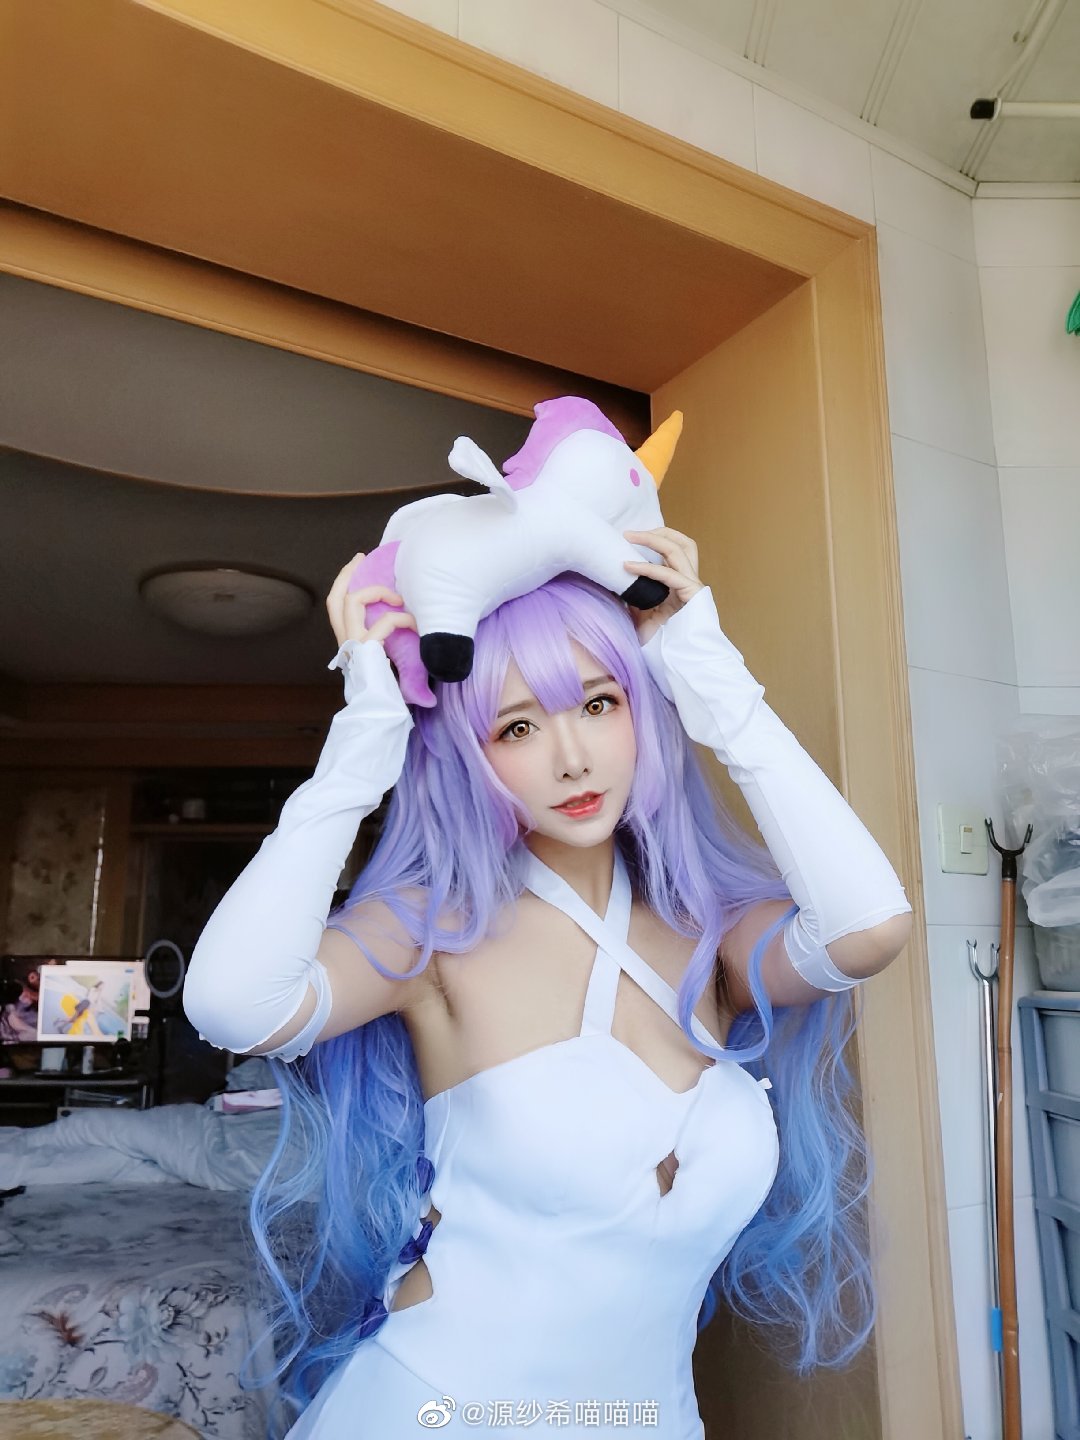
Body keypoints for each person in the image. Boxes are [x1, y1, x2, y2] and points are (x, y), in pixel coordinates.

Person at [183, 526, 913, 1438]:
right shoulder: (433, 929)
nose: (572, 758)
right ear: (468, 751)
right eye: (517, 727)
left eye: (600, 703)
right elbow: (232, 1006)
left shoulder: (712, 937)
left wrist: (709, 674)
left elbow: (868, 927)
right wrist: (365, 740)